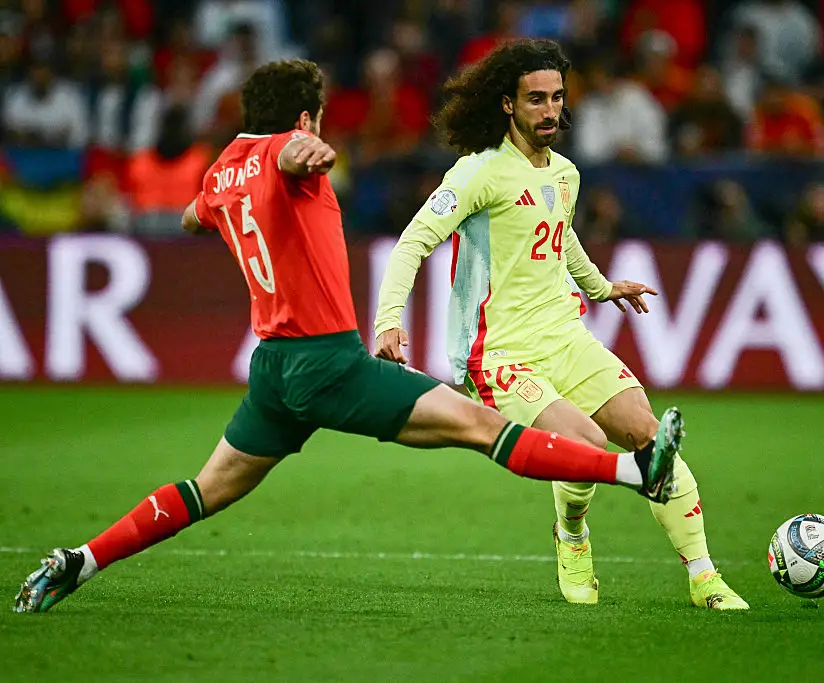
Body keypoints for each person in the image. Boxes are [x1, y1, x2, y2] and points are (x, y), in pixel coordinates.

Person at [14, 58, 683, 614]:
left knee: (204, 490)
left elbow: (193, 216)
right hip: (328, 360)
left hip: (273, 371)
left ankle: (82, 558)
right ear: (306, 117)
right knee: (485, 425)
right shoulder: (294, 151)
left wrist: (227, 203)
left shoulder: (223, 169)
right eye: (319, 121)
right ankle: (635, 468)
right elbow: (303, 156)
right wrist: (310, 154)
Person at [374, 40, 747, 610]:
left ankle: (704, 578)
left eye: (556, 98)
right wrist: (388, 319)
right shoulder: (480, 172)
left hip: (566, 338)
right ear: (507, 104)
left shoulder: (566, 174)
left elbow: (561, 233)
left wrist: (599, 287)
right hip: (498, 355)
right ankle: (572, 535)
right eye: (536, 100)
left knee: (650, 437)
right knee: (584, 442)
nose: (550, 111)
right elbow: (412, 242)